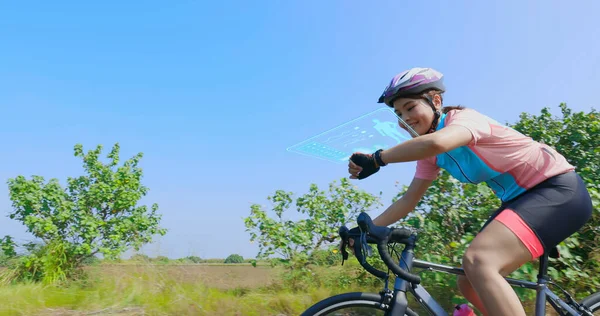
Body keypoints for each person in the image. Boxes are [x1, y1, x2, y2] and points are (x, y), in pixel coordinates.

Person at [347, 67, 593, 316]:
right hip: (520, 200)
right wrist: (363, 231)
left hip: (557, 188)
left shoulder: (464, 120)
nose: (404, 119)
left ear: (436, 101)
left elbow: (437, 142)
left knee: (479, 261)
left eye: (410, 108)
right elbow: (409, 199)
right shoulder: (430, 154)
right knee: (468, 281)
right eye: (398, 113)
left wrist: (378, 158)